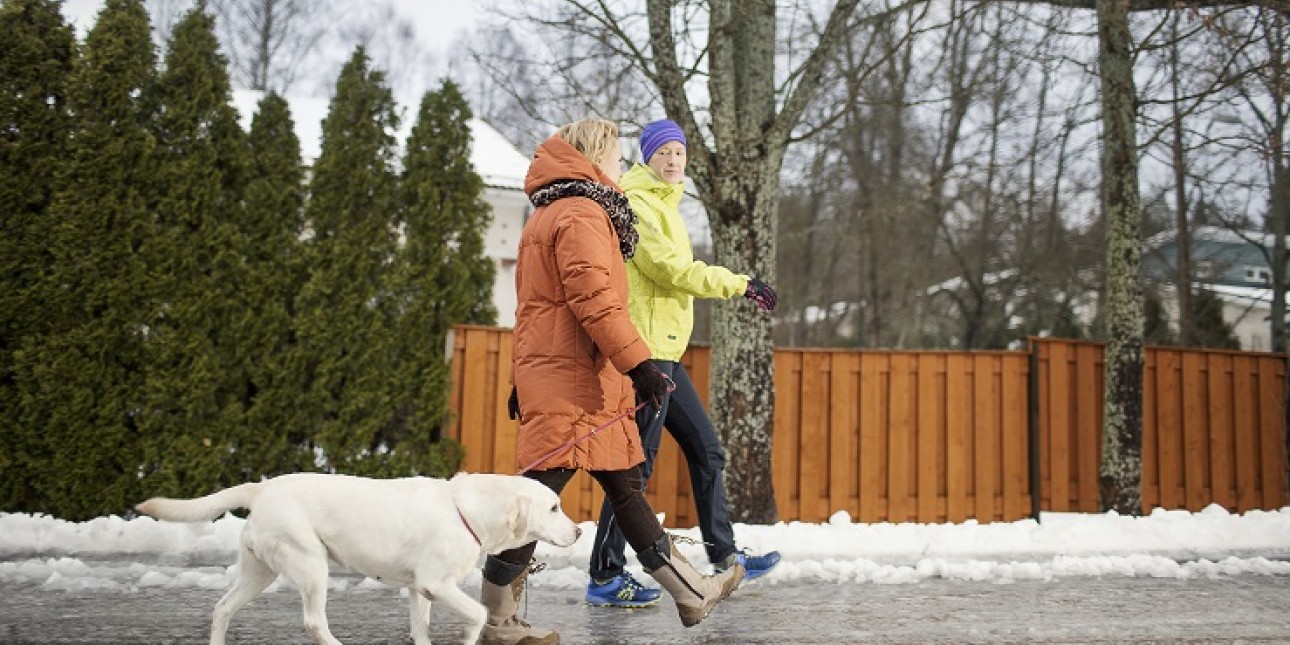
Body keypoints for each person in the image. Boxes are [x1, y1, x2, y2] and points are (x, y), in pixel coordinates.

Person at [481, 117, 745, 645]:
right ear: (596, 156)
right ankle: (496, 620)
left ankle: (691, 594)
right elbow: (594, 300)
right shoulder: (581, 213)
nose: (622, 167)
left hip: (569, 377)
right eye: (618, 158)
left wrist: (522, 377)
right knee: (535, 500)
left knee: (625, 485)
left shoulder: (549, 213)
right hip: (576, 380)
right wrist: (639, 364)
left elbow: (533, 311)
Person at [584, 119, 782, 609]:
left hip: (668, 352)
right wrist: (739, 283)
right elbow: (670, 271)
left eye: (680, 152)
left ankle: (723, 554)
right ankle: (604, 575)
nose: (673, 161)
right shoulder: (637, 204)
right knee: (634, 468)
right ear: (646, 157)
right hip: (645, 355)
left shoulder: (669, 205)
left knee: (707, 451)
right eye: (663, 152)